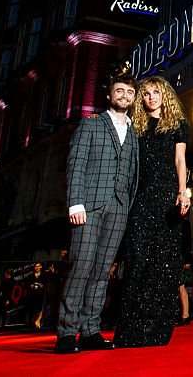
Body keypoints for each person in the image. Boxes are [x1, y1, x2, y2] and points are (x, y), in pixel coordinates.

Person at [57, 74, 139, 354]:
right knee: (81, 266)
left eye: (129, 92)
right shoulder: (90, 124)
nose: (125, 96)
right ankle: (67, 333)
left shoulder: (134, 131)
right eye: (120, 91)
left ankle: (91, 330)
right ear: (110, 95)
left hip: (119, 208)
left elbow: (132, 174)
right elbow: (76, 164)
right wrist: (74, 202)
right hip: (88, 206)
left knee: (103, 271)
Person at [113, 76, 190, 348]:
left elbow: (180, 160)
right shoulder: (135, 127)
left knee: (165, 264)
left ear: (164, 94)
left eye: (155, 92)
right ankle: (130, 330)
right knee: (137, 260)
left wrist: (182, 191)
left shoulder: (178, 125)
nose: (150, 98)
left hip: (168, 197)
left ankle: (157, 330)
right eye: (145, 94)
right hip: (141, 199)